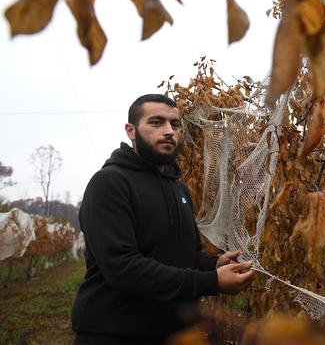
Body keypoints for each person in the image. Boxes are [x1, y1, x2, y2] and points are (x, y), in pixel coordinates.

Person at [71, 94, 255, 344]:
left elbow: (185, 256)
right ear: (131, 130)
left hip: (175, 335)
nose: (169, 131)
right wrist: (211, 281)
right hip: (115, 335)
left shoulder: (179, 189)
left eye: (175, 124)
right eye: (156, 123)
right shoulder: (109, 184)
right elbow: (123, 267)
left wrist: (213, 265)